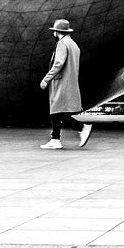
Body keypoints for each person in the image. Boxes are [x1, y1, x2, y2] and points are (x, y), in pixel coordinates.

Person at [38, 17, 90, 149]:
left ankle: (82, 128)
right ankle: (55, 139)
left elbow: (58, 64)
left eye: (54, 31)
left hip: (60, 82)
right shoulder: (73, 45)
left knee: (58, 111)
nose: (53, 33)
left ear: (57, 32)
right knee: (57, 112)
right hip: (69, 82)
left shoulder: (62, 44)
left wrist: (46, 79)